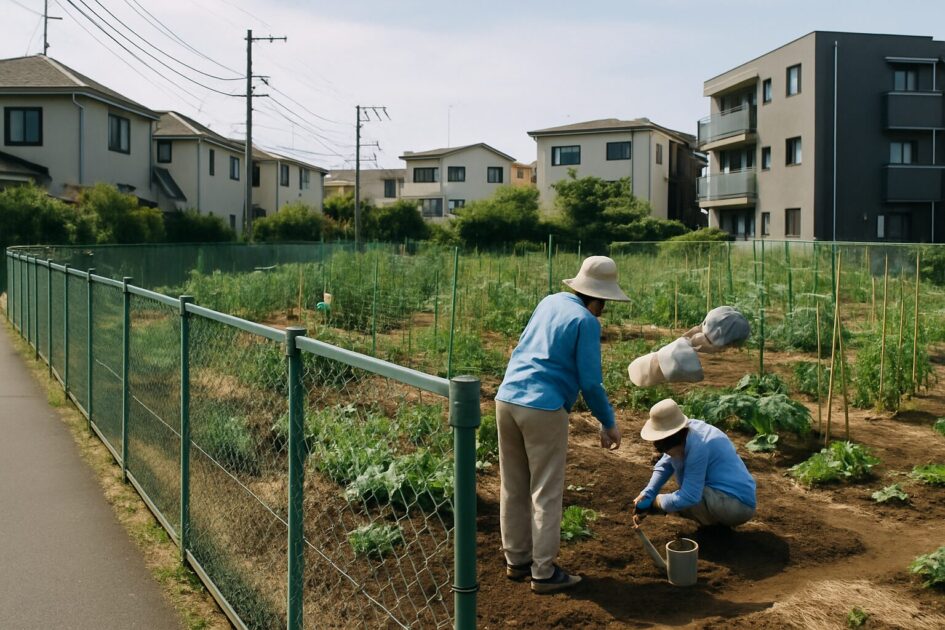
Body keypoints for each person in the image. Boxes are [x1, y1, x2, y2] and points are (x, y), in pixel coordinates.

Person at [495, 256, 629, 594]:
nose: (604, 310)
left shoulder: (549, 301)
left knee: (513, 485)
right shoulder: (586, 321)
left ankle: (517, 560)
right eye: (605, 303)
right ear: (598, 297)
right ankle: (543, 572)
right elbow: (591, 382)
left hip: (507, 398)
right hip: (543, 407)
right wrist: (608, 422)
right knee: (545, 490)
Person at [632, 398, 756, 528]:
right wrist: (648, 492)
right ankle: (715, 525)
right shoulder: (685, 431)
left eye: (667, 451)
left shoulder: (699, 447)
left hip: (738, 506)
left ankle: (716, 525)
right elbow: (665, 465)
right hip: (724, 495)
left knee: (681, 501)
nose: (665, 454)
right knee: (679, 497)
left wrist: (656, 503)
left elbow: (689, 496)